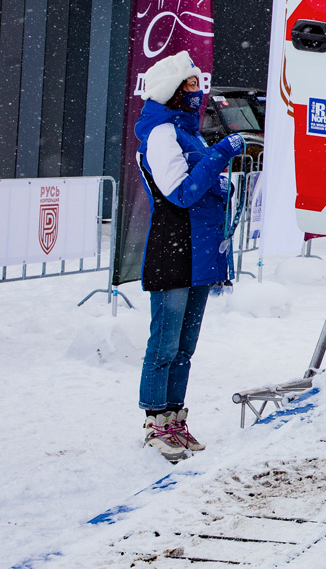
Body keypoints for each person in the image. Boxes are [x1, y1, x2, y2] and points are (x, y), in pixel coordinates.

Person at [134, 50, 247, 462]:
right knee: (165, 343)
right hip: (174, 251)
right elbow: (180, 193)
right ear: (174, 89)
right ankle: (156, 422)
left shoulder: (188, 132)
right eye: (193, 84)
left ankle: (175, 418)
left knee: (184, 347)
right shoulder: (162, 133)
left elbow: (201, 186)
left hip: (197, 252)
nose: (200, 92)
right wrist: (219, 156)